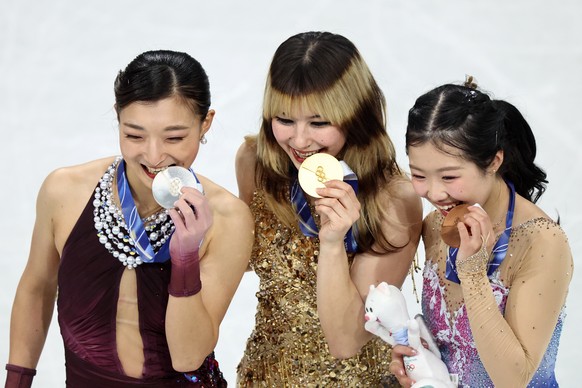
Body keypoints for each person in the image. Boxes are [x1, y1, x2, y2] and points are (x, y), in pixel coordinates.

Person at [5, 50, 253, 387]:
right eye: (134, 135)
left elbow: (187, 356)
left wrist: (185, 259)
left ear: (204, 123)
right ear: (118, 117)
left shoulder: (227, 218)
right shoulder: (65, 191)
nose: (153, 155)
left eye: (174, 137)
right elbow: (37, 288)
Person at [235, 31, 423, 386]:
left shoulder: (393, 199)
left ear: (355, 115)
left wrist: (333, 243)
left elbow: (346, 340)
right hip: (263, 376)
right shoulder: (255, 163)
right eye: (284, 119)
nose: (300, 140)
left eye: (319, 123)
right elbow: (248, 255)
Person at [390, 77, 574, 387]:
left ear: (493, 161)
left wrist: (473, 274)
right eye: (419, 175)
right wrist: (416, 356)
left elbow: (513, 379)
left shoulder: (542, 242)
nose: (434, 194)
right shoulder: (438, 224)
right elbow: (450, 342)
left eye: (449, 177)